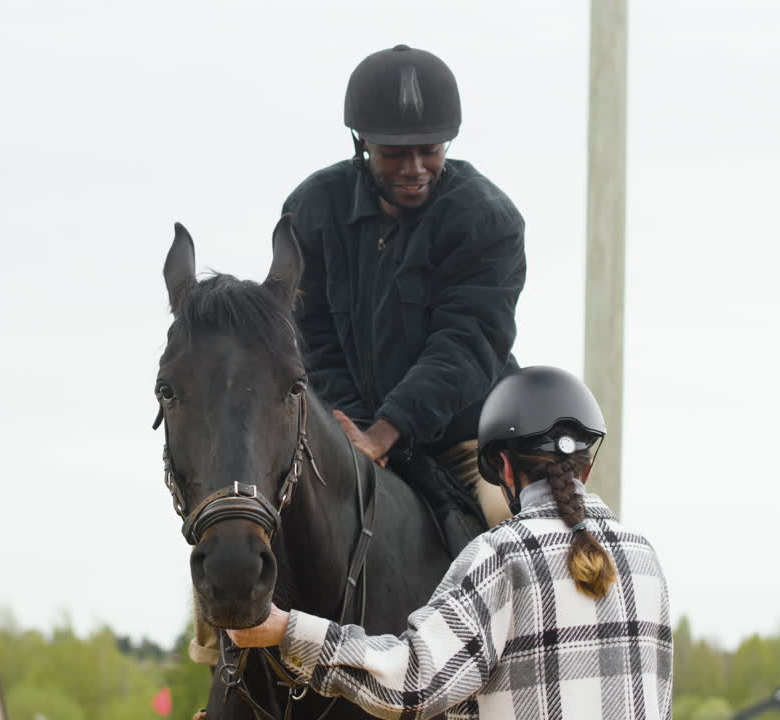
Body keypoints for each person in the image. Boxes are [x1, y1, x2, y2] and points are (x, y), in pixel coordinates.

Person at [226, 366, 673, 719]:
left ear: (504, 469)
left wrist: (286, 630)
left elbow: (414, 683)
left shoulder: (500, 556)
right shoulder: (644, 559)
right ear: (586, 469)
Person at [284, 43, 527, 536]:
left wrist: (385, 433)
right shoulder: (310, 211)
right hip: (350, 434)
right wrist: (356, 435)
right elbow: (312, 339)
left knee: (517, 525)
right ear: (362, 143)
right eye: (395, 153)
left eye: (430, 150)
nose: (415, 167)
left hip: (467, 443)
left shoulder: (488, 218)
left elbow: (464, 345)